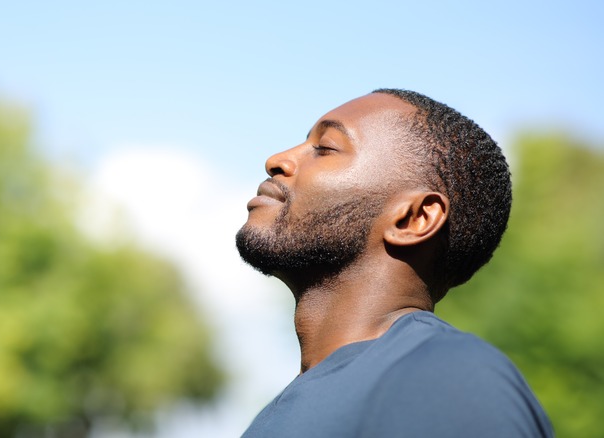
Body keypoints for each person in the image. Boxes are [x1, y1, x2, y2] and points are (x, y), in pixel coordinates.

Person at [235, 89, 553, 437]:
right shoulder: (273, 416)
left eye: (325, 148)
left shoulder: (450, 380)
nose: (277, 160)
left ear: (413, 219)